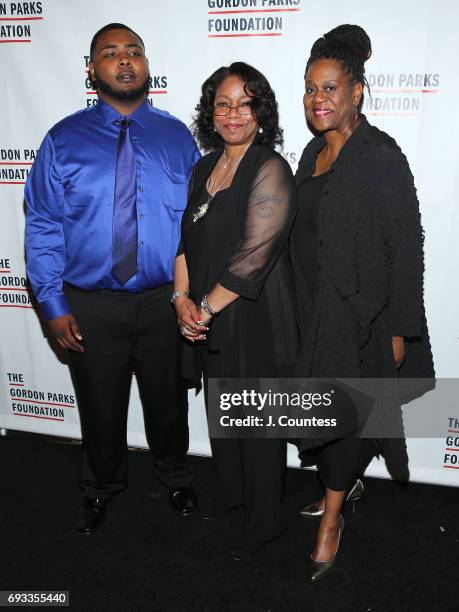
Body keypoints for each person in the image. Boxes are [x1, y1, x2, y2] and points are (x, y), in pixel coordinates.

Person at [25, 23, 201, 535]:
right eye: (110, 53)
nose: (124, 61)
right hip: (92, 304)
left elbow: (198, 222)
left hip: (166, 300)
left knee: (167, 404)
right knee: (100, 407)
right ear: (92, 70)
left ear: (147, 65)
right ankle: (100, 487)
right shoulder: (62, 140)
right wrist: (53, 304)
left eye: (134, 52)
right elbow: (42, 223)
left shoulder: (176, 137)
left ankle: (175, 474)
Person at [290, 24, 434, 581]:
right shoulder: (309, 152)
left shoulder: (379, 154)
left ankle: (331, 519)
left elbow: (407, 244)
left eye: (330, 88)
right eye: (310, 88)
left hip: (363, 317)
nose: (317, 99)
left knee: (348, 413)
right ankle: (340, 485)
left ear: (356, 93)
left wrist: (398, 328)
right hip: (312, 308)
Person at [173, 62, 298, 561]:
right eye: (222, 104)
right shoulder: (204, 167)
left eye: (244, 103)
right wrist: (179, 300)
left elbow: (253, 258)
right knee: (223, 411)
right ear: (211, 112)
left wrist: (201, 307)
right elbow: (185, 241)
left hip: (254, 313)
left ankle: (263, 522)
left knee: (259, 423)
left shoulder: (270, 167)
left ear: (260, 112)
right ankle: (232, 494)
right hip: (209, 313)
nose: (232, 114)